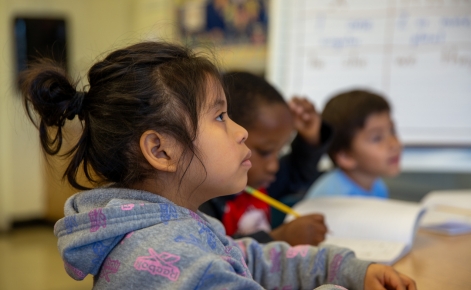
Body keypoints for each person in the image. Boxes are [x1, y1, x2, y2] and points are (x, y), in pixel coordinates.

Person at [20, 41, 415, 289]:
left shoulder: (181, 226)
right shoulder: (163, 256)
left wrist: (347, 270)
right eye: (221, 117)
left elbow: (257, 261)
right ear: (161, 151)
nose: (240, 132)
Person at [200, 71, 332, 246]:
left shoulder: (258, 183)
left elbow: (298, 172)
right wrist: (277, 238)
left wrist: (310, 139)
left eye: (279, 152)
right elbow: (211, 252)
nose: (274, 166)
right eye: (265, 152)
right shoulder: (202, 201)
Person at [305, 90, 402, 199]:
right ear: (345, 156)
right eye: (377, 138)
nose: (394, 144)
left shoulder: (378, 187)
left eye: (392, 131)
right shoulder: (333, 198)